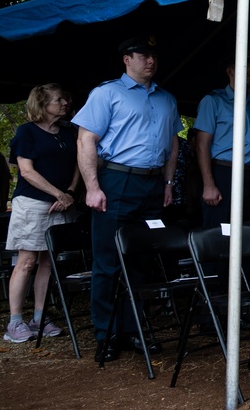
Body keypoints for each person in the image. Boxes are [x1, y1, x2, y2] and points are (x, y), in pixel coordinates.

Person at [73, 36, 182, 361]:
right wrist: (92, 187)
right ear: (126, 59)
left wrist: (168, 182)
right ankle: (105, 336)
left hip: (151, 185)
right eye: (143, 55)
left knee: (141, 261)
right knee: (107, 263)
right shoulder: (107, 93)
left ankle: (133, 330)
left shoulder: (167, 98)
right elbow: (85, 139)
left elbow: (173, 143)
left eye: (154, 55)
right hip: (116, 180)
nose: (150, 61)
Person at [4, 84, 76, 343]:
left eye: (66, 99)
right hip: (33, 203)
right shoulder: (27, 132)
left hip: (64, 203)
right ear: (42, 104)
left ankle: (39, 317)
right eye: (60, 100)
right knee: (27, 262)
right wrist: (59, 194)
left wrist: (69, 192)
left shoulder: (69, 132)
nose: (66, 103)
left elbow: (80, 163)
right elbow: (27, 171)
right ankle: (14, 322)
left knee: (48, 262)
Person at [193, 56, 250, 228]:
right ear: (230, 71)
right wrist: (209, 185)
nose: (249, 70)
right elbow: (202, 146)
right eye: (244, 66)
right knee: (219, 231)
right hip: (224, 173)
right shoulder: (213, 101)